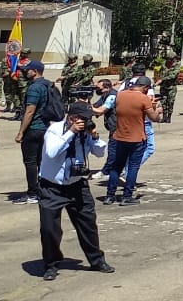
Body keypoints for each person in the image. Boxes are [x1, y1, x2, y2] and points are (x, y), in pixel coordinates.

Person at [38, 101, 115, 280]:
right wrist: (71, 132)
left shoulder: (84, 133)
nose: (87, 122)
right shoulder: (55, 130)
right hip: (52, 187)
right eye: (84, 119)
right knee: (49, 229)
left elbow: (99, 153)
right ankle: (51, 264)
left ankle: (97, 260)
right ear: (72, 118)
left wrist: (94, 137)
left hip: (77, 185)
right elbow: (51, 153)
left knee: (88, 225)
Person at [104, 76, 159, 206]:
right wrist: (157, 109)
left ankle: (109, 196)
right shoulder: (143, 98)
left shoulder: (120, 95)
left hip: (120, 136)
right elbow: (154, 117)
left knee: (116, 167)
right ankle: (127, 196)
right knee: (133, 167)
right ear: (145, 87)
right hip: (137, 138)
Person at [14, 59, 53, 205]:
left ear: (35, 71)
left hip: (33, 129)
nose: (25, 72)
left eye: (27, 70)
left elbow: (30, 111)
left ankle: (32, 193)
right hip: (45, 127)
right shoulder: (47, 84)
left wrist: (21, 132)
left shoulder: (34, 88)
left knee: (30, 162)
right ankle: (43, 190)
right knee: (41, 161)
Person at [157, 57, 181, 122]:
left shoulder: (176, 66)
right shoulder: (163, 65)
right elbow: (160, 73)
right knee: (163, 101)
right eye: (167, 59)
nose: (168, 60)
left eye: (170, 59)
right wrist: (158, 79)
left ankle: (169, 116)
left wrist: (162, 79)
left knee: (170, 102)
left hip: (171, 87)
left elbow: (173, 75)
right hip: (163, 87)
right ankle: (164, 116)